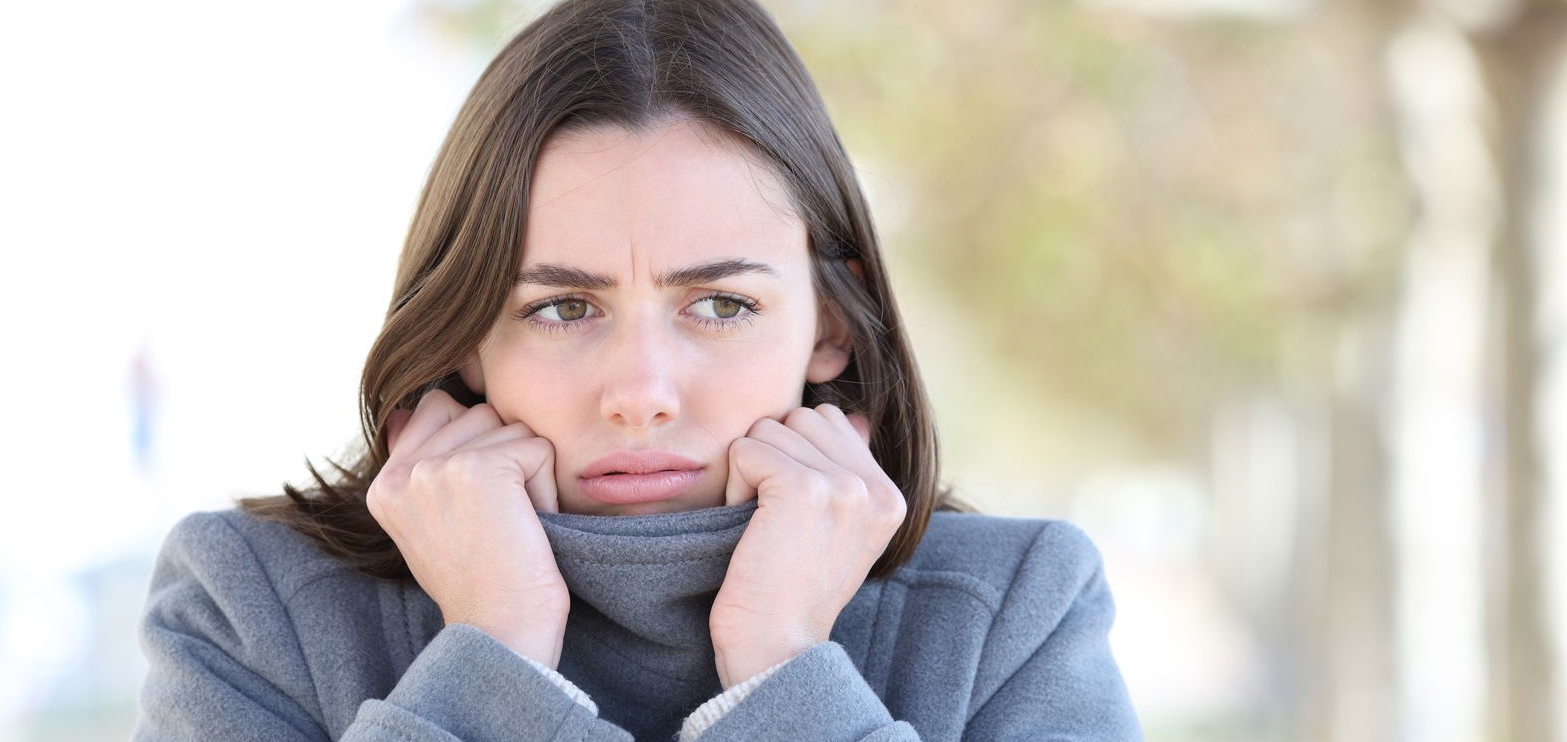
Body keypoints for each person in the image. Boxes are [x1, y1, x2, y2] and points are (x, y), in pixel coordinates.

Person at [132, 0, 1143, 739]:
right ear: (461, 333)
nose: (643, 392)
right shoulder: (254, 607)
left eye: (721, 305)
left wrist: (787, 665)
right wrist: (490, 658)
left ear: (830, 325)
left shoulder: (1016, 613)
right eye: (563, 307)